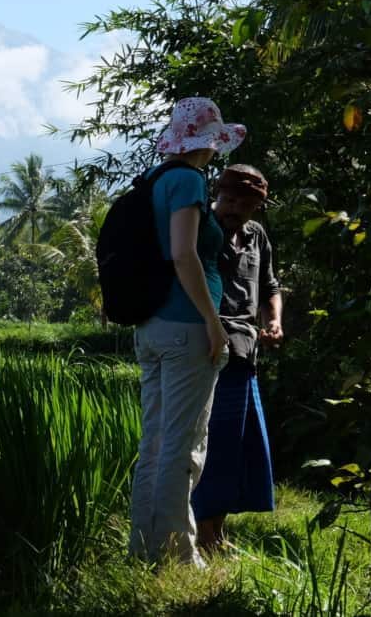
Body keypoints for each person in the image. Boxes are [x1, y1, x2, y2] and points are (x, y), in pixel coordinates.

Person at [128, 96, 245, 568]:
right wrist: (214, 324)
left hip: (152, 325)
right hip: (185, 327)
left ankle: (144, 546)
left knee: (155, 442)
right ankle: (176, 555)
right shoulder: (189, 181)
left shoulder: (154, 180)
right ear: (208, 142)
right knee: (182, 443)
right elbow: (184, 255)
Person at [192, 165, 282, 552]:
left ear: (257, 208)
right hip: (209, 348)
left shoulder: (257, 235)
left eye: (245, 204)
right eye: (229, 200)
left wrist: (274, 321)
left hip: (247, 352)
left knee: (238, 445)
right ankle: (204, 534)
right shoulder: (199, 229)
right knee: (212, 444)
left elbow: (269, 285)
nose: (234, 209)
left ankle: (218, 530)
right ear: (217, 194)